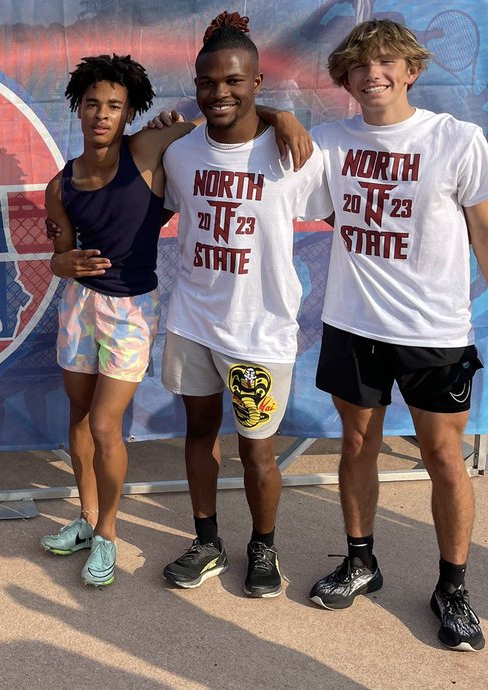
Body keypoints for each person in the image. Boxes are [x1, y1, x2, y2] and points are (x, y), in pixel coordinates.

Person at [42, 50, 311, 587]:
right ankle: (87, 516)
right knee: (78, 417)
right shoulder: (60, 184)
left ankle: (108, 536)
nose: (101, 114)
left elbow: (227, 113)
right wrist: (61, 262)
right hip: (79, 309)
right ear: (77, 108)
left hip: (131, 311)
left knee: (103, 423)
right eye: (92, 104)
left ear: (128, 112)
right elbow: (59, 257)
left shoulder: (148, 149)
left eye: (114, 106)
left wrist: (283, 116)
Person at [307, 19, 488, 652]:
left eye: (386, 62)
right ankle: (361, 560)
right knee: (356, 440)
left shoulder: (457, 139)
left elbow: (487, 234)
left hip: (434, 330)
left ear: (412, 71)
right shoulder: (329, 141)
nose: (372, 74)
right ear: (345, 79)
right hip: (353, 323)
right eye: (359, 66)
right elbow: (319, 206)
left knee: (444, 455)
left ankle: (454, 587)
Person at [157, 12, 329, 598]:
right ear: (196, 84)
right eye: (208, 82)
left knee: (258, 452)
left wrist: (285, 119)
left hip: (260, 332)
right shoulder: (179, 153)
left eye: (233, 81)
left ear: (258, 83)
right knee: (198, 431)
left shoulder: (295, 154)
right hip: (192, 320)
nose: (219, 93)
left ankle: (263, 547)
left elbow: (345, 220)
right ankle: (207, 540)